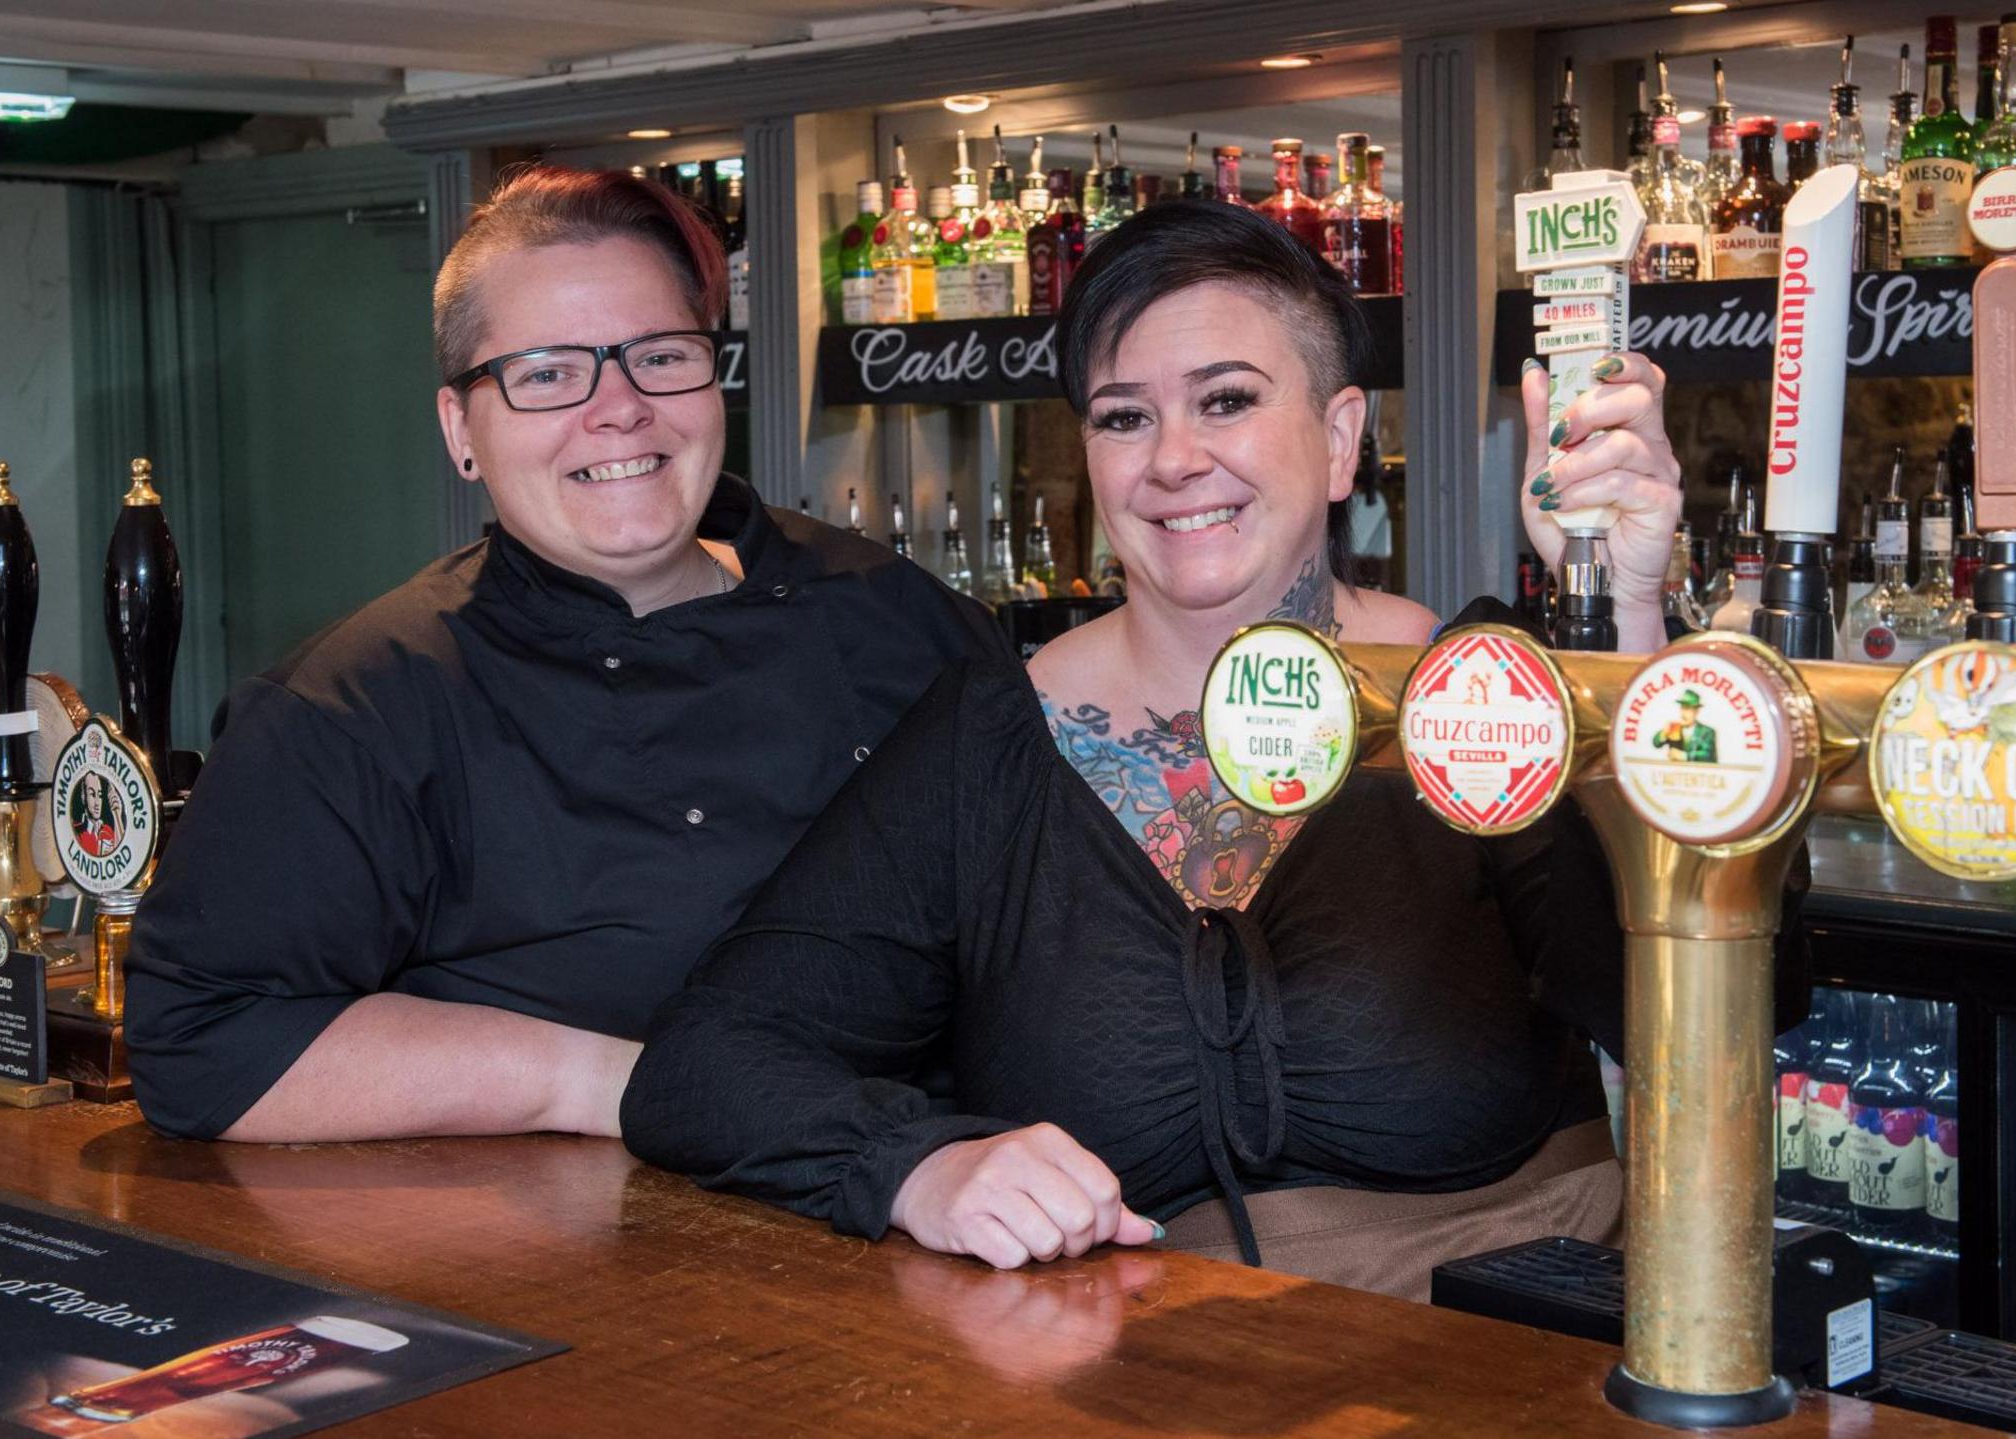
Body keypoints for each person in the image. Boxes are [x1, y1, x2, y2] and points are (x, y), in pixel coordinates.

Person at [622, 201, 1710, 1301]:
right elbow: (707, 1063)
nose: (1174, 461)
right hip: (1148, 1374)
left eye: (1226, 400)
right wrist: (918, 1165)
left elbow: (1685, 1009)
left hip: (1497, 1359)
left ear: (1339, 440)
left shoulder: (1472, 695)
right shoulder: (993, 731)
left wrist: (1626, 613)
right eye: (1123, 418)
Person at [125, 167, 1003, 1144]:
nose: (619, 407)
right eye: (547, 373)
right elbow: (201, 1040)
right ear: (462, 428)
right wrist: (615, 1084)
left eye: (660, 356)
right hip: (598, 1261)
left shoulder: (900, 618)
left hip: (959, 1214)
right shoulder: (356, 707)